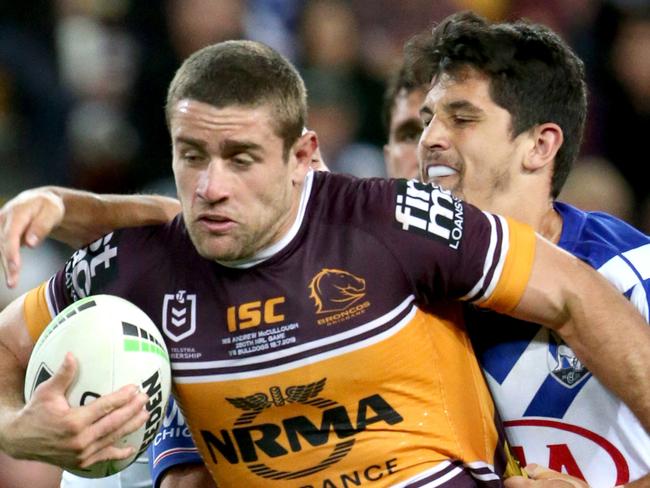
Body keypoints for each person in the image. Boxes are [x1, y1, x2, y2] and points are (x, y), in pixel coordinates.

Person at [1, 39, 650, 488]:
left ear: (303, 154)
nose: (210, 186)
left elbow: (576, 294)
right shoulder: (141, 266)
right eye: (191, 155)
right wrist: (19, 432)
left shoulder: (392, 221)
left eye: (243, 158)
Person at [402, 11, 650, 487]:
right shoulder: (404, 288)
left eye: (462, 118)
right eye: (428, 120)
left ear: (539, 145)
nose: (430, 139)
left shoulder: (633, 272)